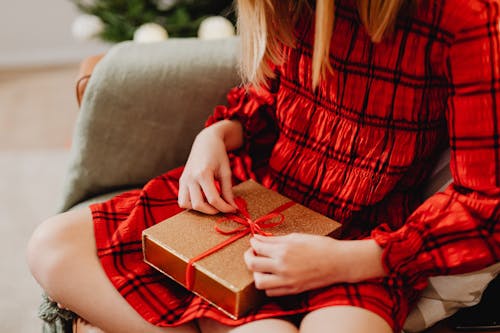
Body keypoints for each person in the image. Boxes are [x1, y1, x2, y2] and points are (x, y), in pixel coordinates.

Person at [27, 0, 500, 332]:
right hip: (257, 194)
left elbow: (485, 202)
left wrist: (355, 261)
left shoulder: (465, 16)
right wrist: (215, 135)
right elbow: (266, 97)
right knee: (51, 245)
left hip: (362, 238)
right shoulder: (286, 8)